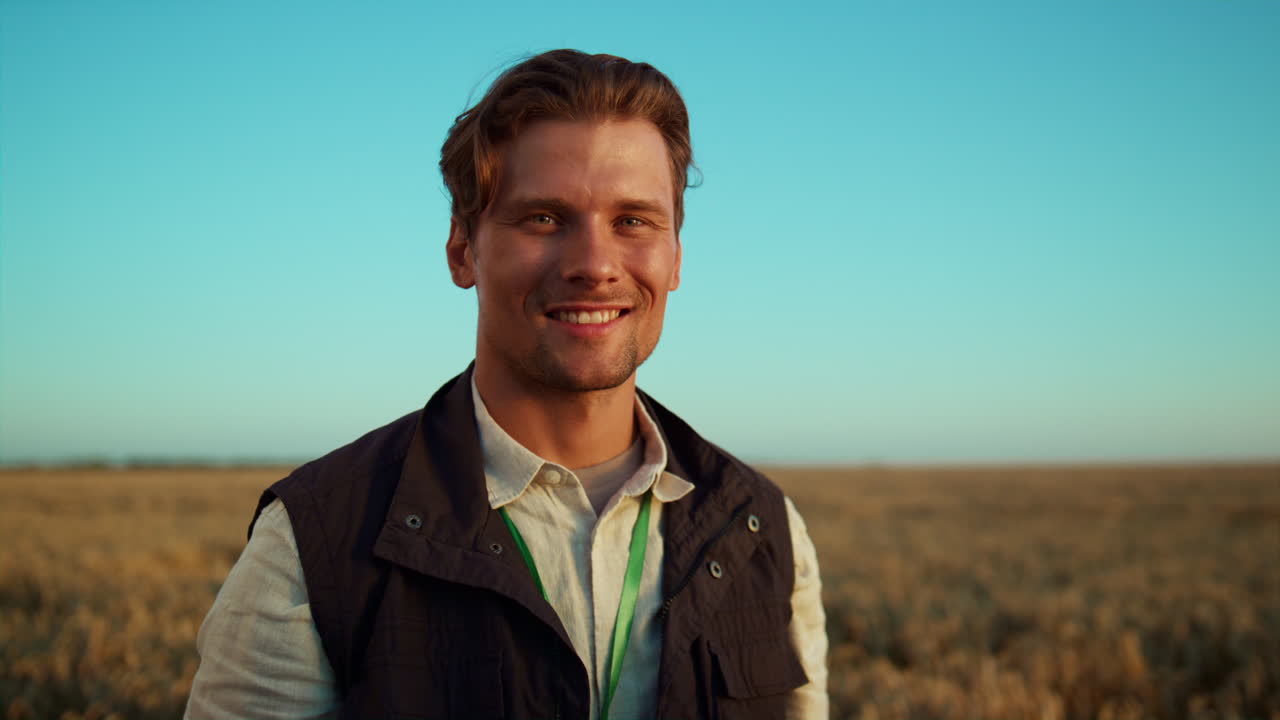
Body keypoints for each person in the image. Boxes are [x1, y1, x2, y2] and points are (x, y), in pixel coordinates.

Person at [185, 49, 828, 720]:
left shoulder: (766, 528)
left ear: (675, 259)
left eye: (633, 221)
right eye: (544, 219)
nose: (595, 265)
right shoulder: (313, 542)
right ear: (463, 249)